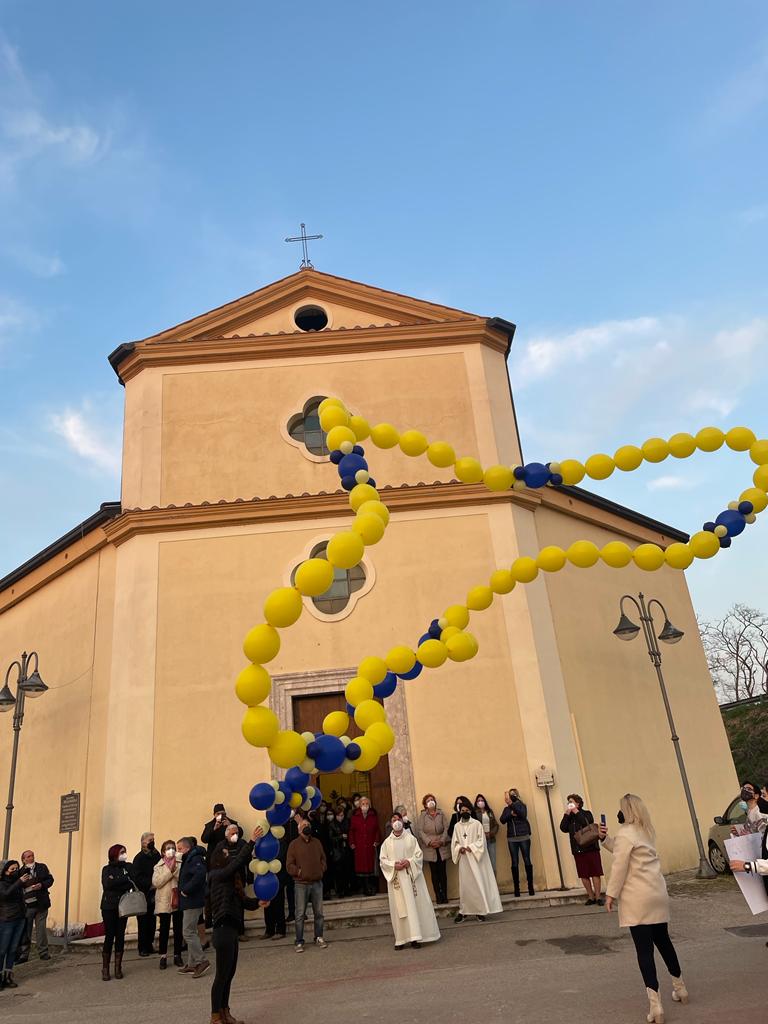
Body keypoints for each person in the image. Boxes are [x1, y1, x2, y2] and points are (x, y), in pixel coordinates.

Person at [600, 794, 688, 1024]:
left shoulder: (626, 833)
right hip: (657, 893)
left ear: (626, 811)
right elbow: (626, 851)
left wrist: (610, 894)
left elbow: (620, 865)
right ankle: (680, 988)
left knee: (644, 951)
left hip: (637, 898)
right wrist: (606, 839)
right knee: (664, 942)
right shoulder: (646, 831)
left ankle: (655, 1006)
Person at [207, 824, 266, 1024]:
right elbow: (237, 861)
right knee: (221, 975)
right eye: (225, 854)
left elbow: (243, 901)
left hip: (232, 928)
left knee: (229, 974)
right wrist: (251, 842)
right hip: (222, 928)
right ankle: (215, 1016)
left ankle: (225, 1012)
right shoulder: (217, 876)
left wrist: (259, 902)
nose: (229, 855)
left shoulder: (233, 879)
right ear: (218, 860)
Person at [380, 813, 441, 950]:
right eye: (394, 820)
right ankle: (401, 939)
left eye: (398, 819)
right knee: (399, 910)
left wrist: (409, 861)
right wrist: (394, 865)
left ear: (403, 821)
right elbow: (383, 861)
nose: (397, 822)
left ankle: (415, 938)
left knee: (414, 908)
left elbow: (418, 855)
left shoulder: (411, 839)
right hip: (397, 880)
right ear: (391, 823)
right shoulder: (386, 843)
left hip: (410, 878)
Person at [451, 799, 502, 922]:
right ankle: (464, 912)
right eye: (462, 810)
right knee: (466, 886)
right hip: (464, 860)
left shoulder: (477, 824)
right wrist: (459, 849)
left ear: (470, 811)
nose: (464, 812)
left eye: (467, 810)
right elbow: (454, 842)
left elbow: (481, 841)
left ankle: (480, 911)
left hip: (475, 859)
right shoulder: (457, 826)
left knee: (478, 883)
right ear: (460, 811)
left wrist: (471, 847)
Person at [286, 814, 329, 952]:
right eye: (304, 826)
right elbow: (289, 865)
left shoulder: (317, 842)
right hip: (301, 884)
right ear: (299, 830)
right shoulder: (293, 845)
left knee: (319, 913)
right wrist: (299, 872)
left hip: (317, 882)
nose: (307, 828)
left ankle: (319, 937)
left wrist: (321, 869)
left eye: (308, 826)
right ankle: (299, 941)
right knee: (299, 914)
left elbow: (323, 859)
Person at [560, 794, 604, 905]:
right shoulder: (569, 818)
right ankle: (591, 897)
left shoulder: (586, 813)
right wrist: (567, 814)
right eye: (568, 802)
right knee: (583, 874)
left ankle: (598, 897)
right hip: (578, 849)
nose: (569, 804)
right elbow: (563, 828)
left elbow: (586, 822)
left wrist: (576, 811)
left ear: (578, 803)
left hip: (591, 847)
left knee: (595, 872)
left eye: (571, 801)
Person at [177, 836, 210, 978]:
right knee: (190, 931)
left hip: (192, 900)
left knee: (188, 932)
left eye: (179, 849)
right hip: (189, 901)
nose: (177, 852)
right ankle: (191, 964)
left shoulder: (195, 859)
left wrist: (186, 889)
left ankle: (201, 961)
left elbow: (200, 875)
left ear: (187, 848)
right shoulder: (189, 858)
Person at [100, 844, 134, 981]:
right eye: (121, 852)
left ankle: (118, 967)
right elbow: (107, 884)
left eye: (124, 852)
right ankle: (105, 968)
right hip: (108, 906)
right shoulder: (106, 869)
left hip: (123, 906)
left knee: (120, 935)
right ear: (114, 854)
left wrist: (118, 881)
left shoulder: (128, 867)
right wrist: (123, 881)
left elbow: (131, 882)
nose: (124, 854)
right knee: (109, 935)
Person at [16, 849, 53, 963]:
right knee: (26, 930)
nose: (31, 858)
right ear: (23, 860)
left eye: (32, 855)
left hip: (41, 903)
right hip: (27, 906)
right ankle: (24, 954)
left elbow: (50, 880)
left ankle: (43, 952)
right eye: (28, 856)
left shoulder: (42, 867)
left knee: (41, 929)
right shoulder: (20, 872)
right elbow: (17, 887)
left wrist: (41, 885)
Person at [152, 839, 183, 970]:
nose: (171, 850)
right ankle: (163, 956)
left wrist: (174, 869)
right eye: (168, 848)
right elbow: (157, 882)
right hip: (164, 901)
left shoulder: (180, 863)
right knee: (164, 930)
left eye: (173, 848)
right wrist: (169, 871)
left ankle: (177, 955)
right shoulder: (158, 866)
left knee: (178, 929)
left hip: (177, 899)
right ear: (163, 852)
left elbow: (181, 877)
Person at [0, 859, 30, 990]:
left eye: (17, 868)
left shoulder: (17, 883)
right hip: (7, 920)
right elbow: (5, 895)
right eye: (12, 869)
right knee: (2, 950)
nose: (15, 871)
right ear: (5, 871)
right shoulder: (2, 884)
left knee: (13, 949)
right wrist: (19, 882)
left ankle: (8, 976)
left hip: (19, 919)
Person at [500, 788, 535, 897]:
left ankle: (530, 887)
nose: (512, 796)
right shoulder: (506, 809)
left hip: (524, 836)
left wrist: (513, 806)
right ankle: (517, 889)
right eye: (510, 795)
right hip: (512, 839)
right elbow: (502, 820)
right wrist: (510, 813)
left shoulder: (522, 805)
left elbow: (522, 815)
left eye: (514, 794)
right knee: (514, 862)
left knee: (527, 860)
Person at [416, 793, 449, 905]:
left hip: (441, 847)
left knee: (443, 873)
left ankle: (445, 895)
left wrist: (441, 841)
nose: (431, 802)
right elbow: (420, 831)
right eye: (428, 800)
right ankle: (438, 896)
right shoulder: (423, 816)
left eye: (432, 800)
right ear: (425, 804)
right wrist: (429, 842)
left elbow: (446, 828)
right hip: (429, 848)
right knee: (434, 874)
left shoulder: (441, 814)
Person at [133, 831, 161, 956]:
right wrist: (150, 883)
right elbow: (137, 877)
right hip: (144, 893)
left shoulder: (156, 855)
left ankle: (149, 945)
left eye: (153, 840)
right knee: (143, 922)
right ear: (143, 842)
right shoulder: (138, 858)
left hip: (155, 893)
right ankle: (142, 947)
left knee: (152, 921)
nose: (152, 842)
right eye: (150, 840)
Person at [348, 796, 381, 896]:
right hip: (360, 846)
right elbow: (351, 831)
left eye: (367, 804)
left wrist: (376, 840)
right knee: (362, 868)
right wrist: (352, 843)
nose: (365, 806)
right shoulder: (355, 817)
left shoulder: (373, 816)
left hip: (370, 846)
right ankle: (365, 889)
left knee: (371, 867)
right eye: (363, 804)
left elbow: (377, 830)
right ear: (360, 805)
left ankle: (372, 888)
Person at [327, 805, 353, 898]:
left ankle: (347, 889)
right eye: (339, 815)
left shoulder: (347, 822)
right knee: (339, 872)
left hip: (346, 850)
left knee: (347, 871)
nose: (340, 817)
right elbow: (331, 838)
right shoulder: (332, 824)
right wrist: (341, 837)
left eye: (342, 815)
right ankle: (340, 890)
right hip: (337, 851)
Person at [474, 794, 499, 874]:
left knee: (492, 863)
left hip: (491, 840)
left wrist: (491, 833)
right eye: (478, 801)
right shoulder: (474, 813)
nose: (480, 802)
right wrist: (482, 834)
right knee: (482, 864)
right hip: (480, 842)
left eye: (482, 800)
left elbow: (496, 825)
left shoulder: (489, 812)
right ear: (476, 803)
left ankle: (494, 885)